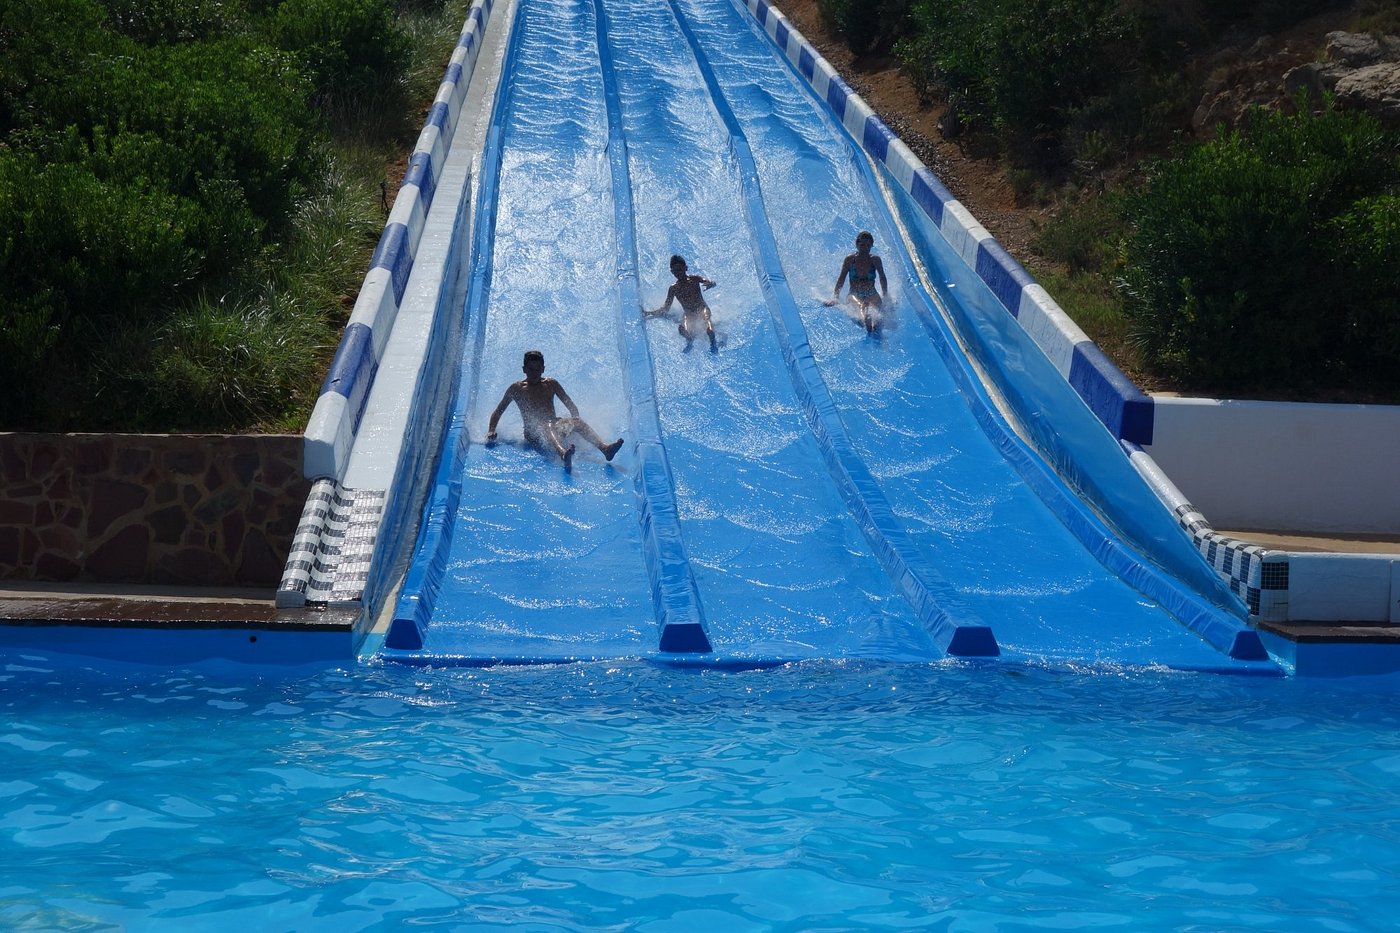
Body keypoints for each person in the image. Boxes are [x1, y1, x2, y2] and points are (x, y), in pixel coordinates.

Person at [485, 350, 623, 472]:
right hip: (533, 434)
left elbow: (569, 404)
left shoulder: (551, 384)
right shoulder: (517, 389)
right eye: (531, 369)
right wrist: (491, 430)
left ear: (543, 369)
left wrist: (574, 420)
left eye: (537, 369)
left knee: (575, 422)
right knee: (548, 424)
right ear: (524, 369)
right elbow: (498, 411)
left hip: (554, 426)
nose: (534, 373)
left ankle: (605, 449)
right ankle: (563, 454)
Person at [648, 254, 717, 352]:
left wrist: (711, 283)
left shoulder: (694, 279)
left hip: (702, 308)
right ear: (672, 272)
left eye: (680, 269)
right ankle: (690, 340)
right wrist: (649, 313)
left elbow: (710, 282)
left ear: (686, 268)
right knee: (682, 328)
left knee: (707, 320)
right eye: (675, 271)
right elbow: (666, 308)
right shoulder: (673, 288)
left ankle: (713, 342)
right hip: (689, 314)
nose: (678, 273)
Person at [830, 230, 888, 333]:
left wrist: (885, 295)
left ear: (871, 246)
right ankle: (866, 319)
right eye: (862, 245)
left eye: (868, 246)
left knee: (878, 307)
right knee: (860, 305)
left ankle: (874, 323)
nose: (865, 248)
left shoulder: (875, 260)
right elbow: (841, 278)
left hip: (871, 292)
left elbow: (882, 277)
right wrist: (835, 297)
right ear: (857, 245)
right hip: (854, 293)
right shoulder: (850, 259)